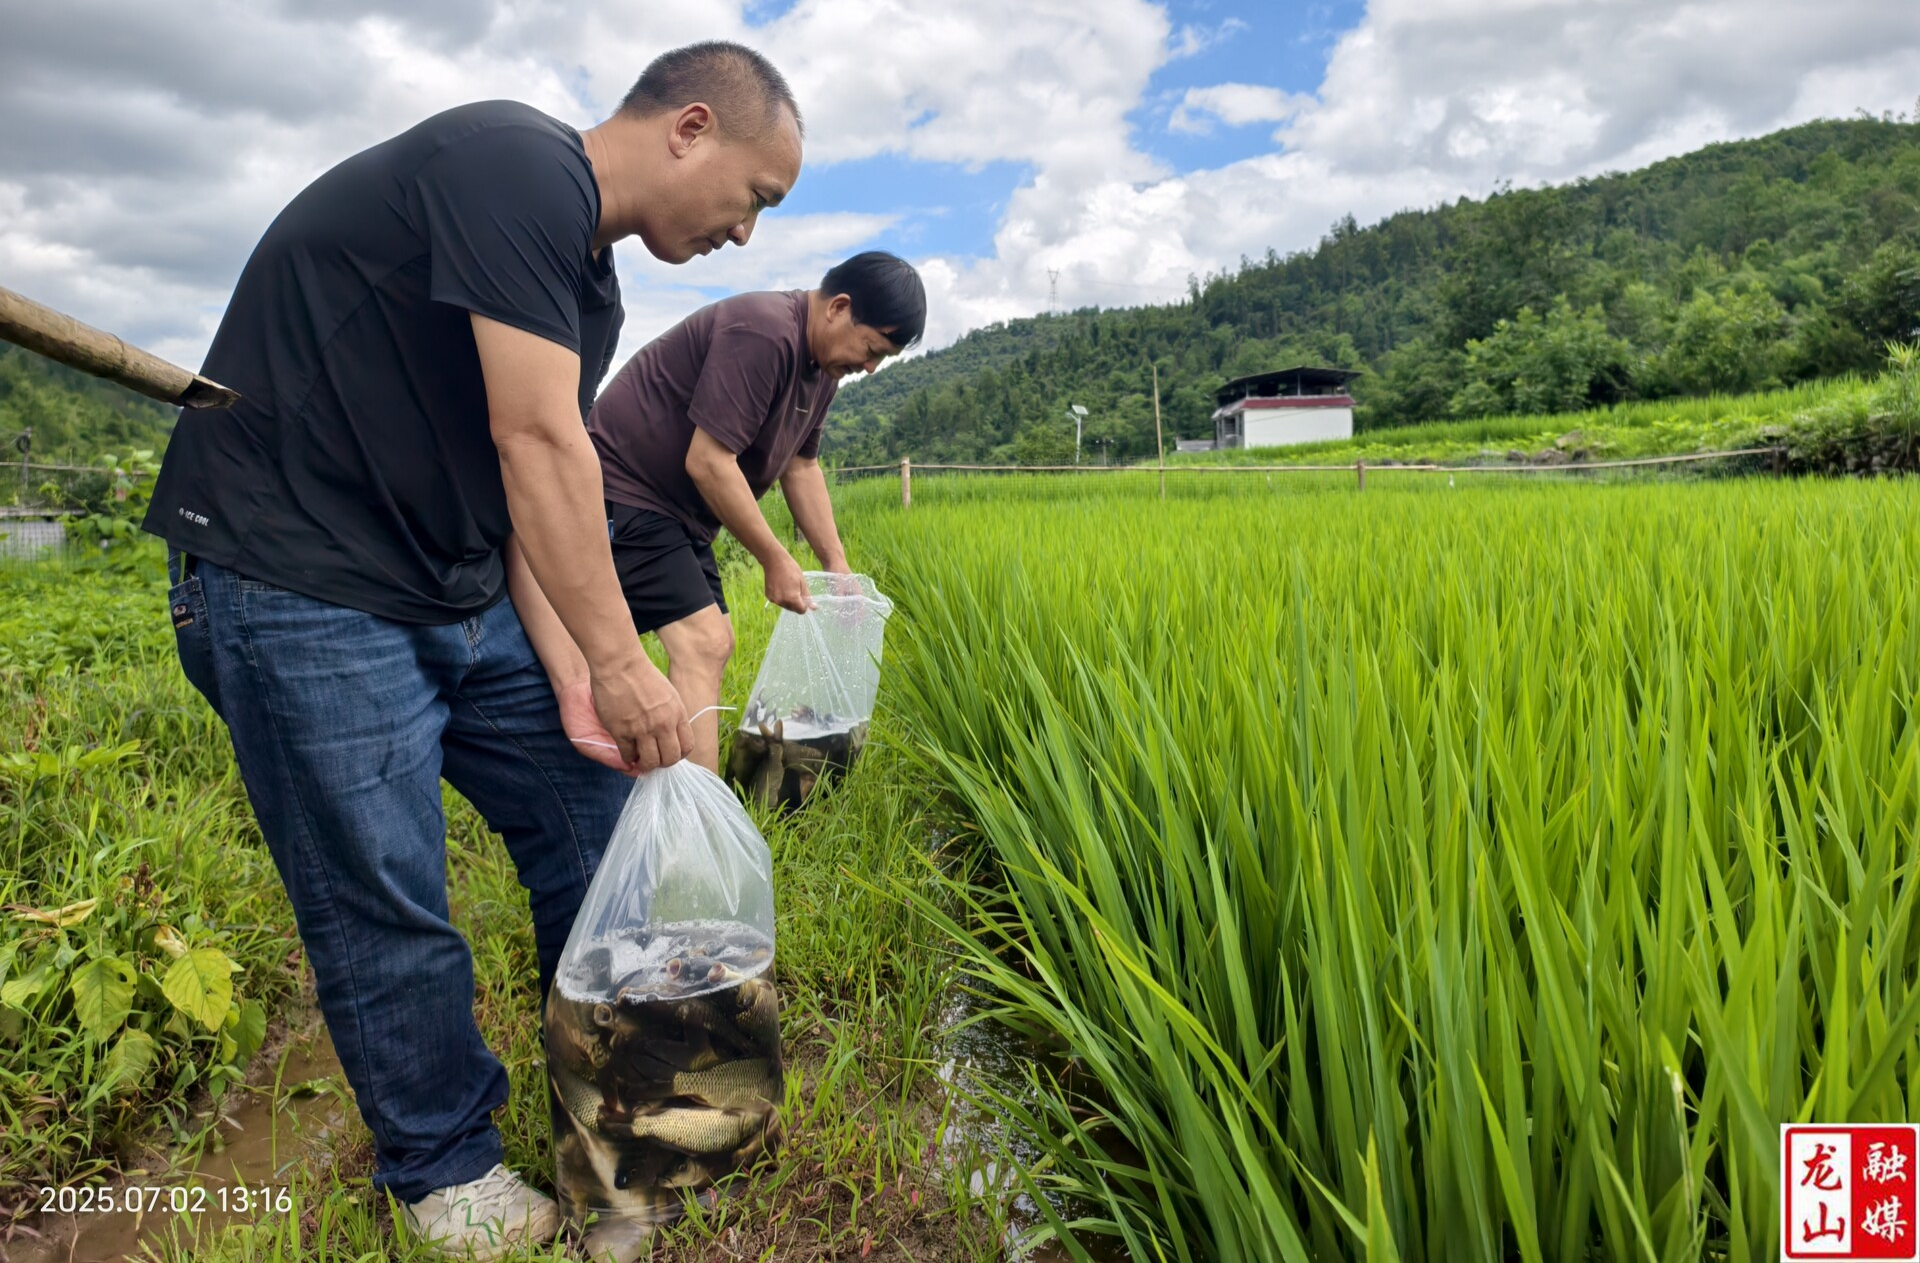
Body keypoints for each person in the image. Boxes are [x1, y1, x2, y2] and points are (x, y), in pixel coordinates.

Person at [141, 41, 803, 1261]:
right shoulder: (513, 166)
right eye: (758, 198)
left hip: (447, 582)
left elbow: (519, 504)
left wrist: (571, 680)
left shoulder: (586, 283)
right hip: (297, 580)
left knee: (591, 807)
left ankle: (622, 1090)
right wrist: (620, 660)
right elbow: (541, 441)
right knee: (385, 891)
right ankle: (444, 1170)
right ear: (691, 129)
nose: (747, 236)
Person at [587, 251, 926, 771]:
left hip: (677, 514)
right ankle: (698, 820)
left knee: (712, 643)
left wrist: (836, 565)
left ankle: (687, 796)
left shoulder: (821, 370)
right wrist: (773, 558)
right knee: (701, 641)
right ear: (839, 307)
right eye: (871, 348)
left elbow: (802, 467)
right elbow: (707, 461)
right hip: (624, 488)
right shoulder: (766, 333)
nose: (870, 367)